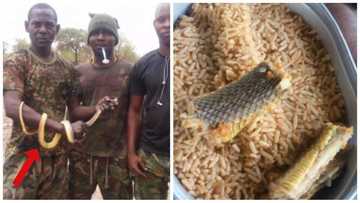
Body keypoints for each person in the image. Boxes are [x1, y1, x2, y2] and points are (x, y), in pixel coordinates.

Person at [3, 3, 85, 199]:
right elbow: (12, 107)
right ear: (26, 26)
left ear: (56, 29)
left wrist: (97, 110)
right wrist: (61, 128)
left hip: (57, 159)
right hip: (26, 156)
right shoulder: (18, 61)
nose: (42, 30)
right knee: (16, 195)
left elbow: (74, 111)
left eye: (49, 25)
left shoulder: (67, 69)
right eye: (36, 24)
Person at [67, 13, 133, 199]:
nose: (101, 37)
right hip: (82, 155)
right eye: (95, 33)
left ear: (115, 39)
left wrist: (133, 151)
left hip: (117, 156)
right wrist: (96, 108)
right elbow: (73, 113)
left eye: (107, 33)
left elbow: (136, 113)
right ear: (89, 40)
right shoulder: (78, 72)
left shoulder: (129, 71)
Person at [127, 3, 170, 199]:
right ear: (155, 24)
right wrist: (131, 153)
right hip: (151, 154)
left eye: (170, 18)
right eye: (162, 20)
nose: (166, 24)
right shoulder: (143, 65)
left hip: (186, 152)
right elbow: (134, 111)